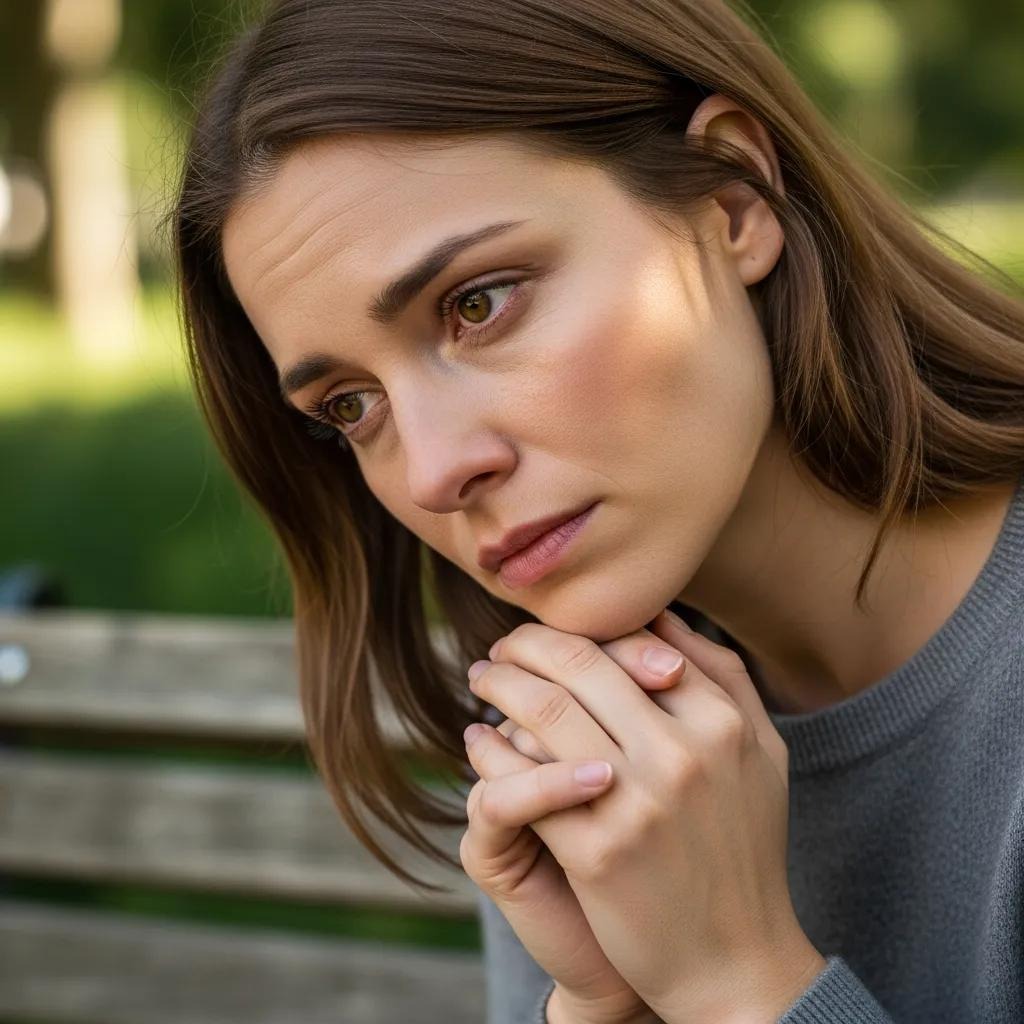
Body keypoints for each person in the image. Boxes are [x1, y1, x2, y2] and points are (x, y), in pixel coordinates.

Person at [168, 0, 1024, 1020]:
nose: (435, 470)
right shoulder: (585, 739)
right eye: (351, 407)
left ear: (733, 200)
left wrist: (733, 981)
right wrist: (597, 1002)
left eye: (478, 302)